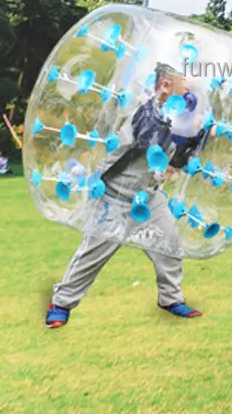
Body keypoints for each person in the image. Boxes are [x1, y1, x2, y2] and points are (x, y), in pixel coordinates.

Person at [45, 63, 202, 329]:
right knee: (93, 253)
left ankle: (170, 299)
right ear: (165, 86)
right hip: (115, 195)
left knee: (170, 245)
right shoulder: (145, 113)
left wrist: (192, 140)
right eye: (183, 83)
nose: (188, 88)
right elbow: (146, 141)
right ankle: (61, 303)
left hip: (149, 197)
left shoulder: (173, 118)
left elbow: (175, 158)